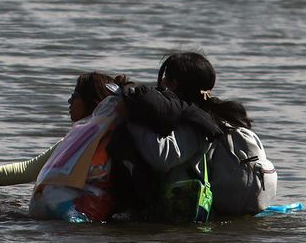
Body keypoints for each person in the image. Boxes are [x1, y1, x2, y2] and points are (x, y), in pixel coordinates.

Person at [0, 72, 132, 222]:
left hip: (80, 221)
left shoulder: (114, 143)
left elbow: (31, 169)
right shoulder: (74, 143)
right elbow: (31, 168)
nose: (69, 101)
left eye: (74, 96)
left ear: (92, 101)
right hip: (74, 221)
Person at [114, 52, 277, 219]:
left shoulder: (198, 123)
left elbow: (162, 157)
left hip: (206, 211)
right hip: (239, 204)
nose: (160, 84)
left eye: (164, 79)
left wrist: (132, 119)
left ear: (173, 84)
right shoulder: (225, 116)